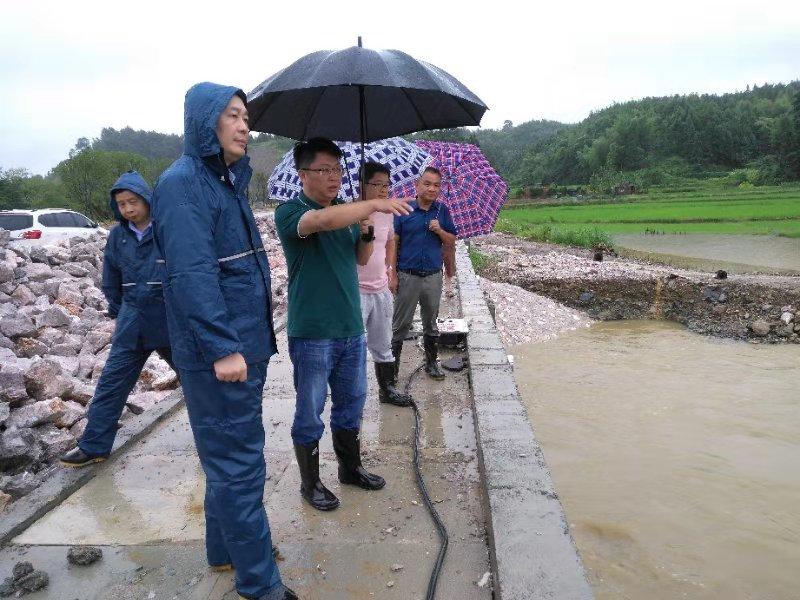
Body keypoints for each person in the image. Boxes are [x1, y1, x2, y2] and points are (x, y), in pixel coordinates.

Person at [152, 82, 295, 600]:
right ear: (204, 121)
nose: (244, 126)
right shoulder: (183, 183)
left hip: (241, 346)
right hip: (223, 354)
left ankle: (225, 552)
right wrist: (222, 348)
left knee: (225, 460)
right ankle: (260, 586)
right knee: (238, 465)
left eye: (246, 116)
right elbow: (191, 274)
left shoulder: (225, 181)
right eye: (233, 115)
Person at [274, 138, 411, 512]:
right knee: (310, 407)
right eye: (324, 170)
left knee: (352, 401)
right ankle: (310, 482)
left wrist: (366, 230)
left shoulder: (346, 212)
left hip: (350, 326)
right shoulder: (291, 213)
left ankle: (350, 468)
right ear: (303, 175)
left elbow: (360, 256)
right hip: (313, 330)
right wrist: (370, 204)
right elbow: (320, 222)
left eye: (337, 169)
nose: (333, 177)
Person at [60, 170, 175, 467]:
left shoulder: (166, 229)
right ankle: (94, 445)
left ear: (147, 200)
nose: (128, 209)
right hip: (132, 324)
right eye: (122, 204)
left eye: (133, 201)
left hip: (169, 322)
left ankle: (220, 441)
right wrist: (120, 309)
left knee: (199, 382)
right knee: (112, 383)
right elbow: (110, 278)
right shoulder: (118, 236)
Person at [391, 167, 458, 380]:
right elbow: (394, 242)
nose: (432, 188)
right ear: (417, 186)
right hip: (407, 275)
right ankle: (392, 370)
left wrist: (439, 230)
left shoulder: (442, 211)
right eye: (427, 184)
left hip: (432, 276)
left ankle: (431, 363)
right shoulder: (404, 210)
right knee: (400, 324)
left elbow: (451, 241)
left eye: (437, 185)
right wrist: (392, 274)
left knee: (431, 322)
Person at [357, 162, 413, 407]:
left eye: (386, 185)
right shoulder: (350, 211)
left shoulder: (388, 212)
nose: (383, 190)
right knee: (354, 346)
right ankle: (353, 393)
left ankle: (387, 389)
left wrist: (390, 271)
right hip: (355, 290)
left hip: (380, 288)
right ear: (362, 184)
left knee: (383, 342)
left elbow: (390, 241)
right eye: (377, 184)